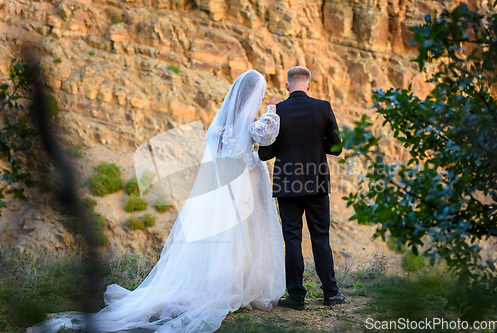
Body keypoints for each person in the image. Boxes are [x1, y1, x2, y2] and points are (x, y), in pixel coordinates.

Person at [27, 70, 285, 333]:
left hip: (225, 188)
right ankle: (236, 287)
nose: (261, 99)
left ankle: (229, 284)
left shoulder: (223, 124)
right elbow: (265, 135)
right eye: (260, 96)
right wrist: (273, 107)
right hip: (241, 189)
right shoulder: (247, 123)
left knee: (230, 238)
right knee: (240, 236)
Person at [258, 66, 345, 311]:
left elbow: (265, 153)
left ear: (287, 86)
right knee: (320, 238)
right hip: (316, 184)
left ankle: (296, 297)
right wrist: (319, 144)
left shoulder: (278, 111)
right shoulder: (323, 107)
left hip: (287, 185)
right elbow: (337, 148)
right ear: (308, 85)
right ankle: (331, 293)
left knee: (292, 240)